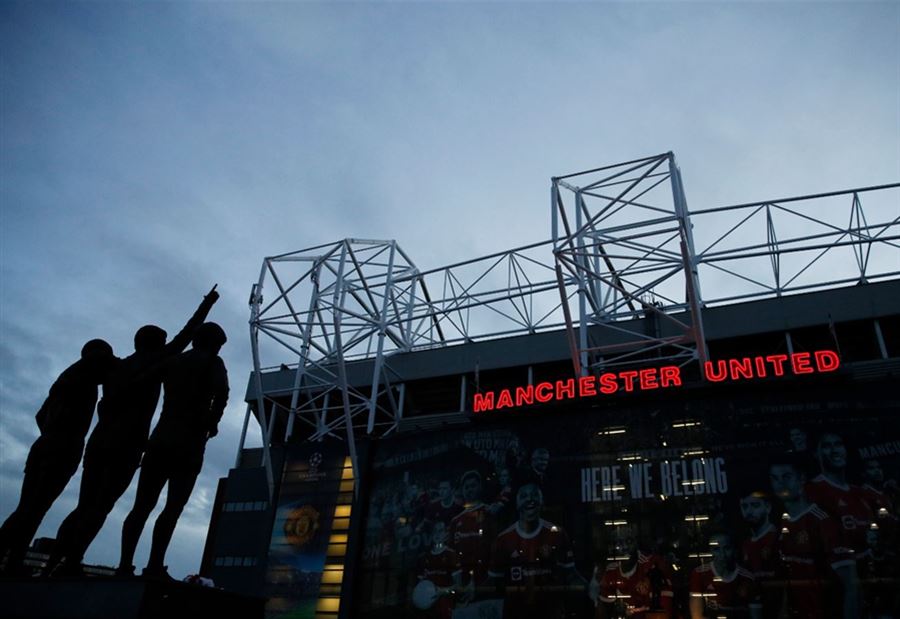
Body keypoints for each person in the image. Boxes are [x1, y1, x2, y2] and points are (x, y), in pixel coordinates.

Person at [45, 287, 218, 576]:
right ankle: (71, 561)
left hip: (98, 442)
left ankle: (55, 562)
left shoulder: (116, 368)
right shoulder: (156, 362)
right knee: (102, 505)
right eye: (163, 340)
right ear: (155, 344)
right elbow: (187, 334)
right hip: (126, 445)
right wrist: (207, 304)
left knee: (84, 505)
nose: (167, 344)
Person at [117, 321, 229, 578]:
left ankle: (124, 565)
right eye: (218, 345)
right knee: (172, 508)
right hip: (189, 444)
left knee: (141, 506)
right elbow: (222, 395)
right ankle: (154, 565)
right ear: (213, 344)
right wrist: (212, 422)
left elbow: (140, 381)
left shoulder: (174, 361)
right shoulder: (213, 363)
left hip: (160, 439)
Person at [0, 339, 116, 575]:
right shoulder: (87, 370)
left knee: (29, 508)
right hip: (62, 447)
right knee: (34, 508)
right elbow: (104, 359)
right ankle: (11, 559)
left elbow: (40, 415)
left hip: (45, 444)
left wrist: (50, 433)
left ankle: (13, 560)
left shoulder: (67, 377)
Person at [769, 453, 857, 619]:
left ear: (801, 478)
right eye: (775, 478)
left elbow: (851, 586)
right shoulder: (782, 523)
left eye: (786, 477)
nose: (780, 484)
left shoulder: (822, 521)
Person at [488, 483, 585, 619]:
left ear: (542, 501)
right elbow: (493, 582)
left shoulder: (558, 534)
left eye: (534, 495)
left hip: (551, 613)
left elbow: (571, 575)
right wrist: (470, 590)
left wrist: (591, 586)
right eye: (524, 496)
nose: (530, 499)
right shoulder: (503, 539)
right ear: (517, 504)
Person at [593, 523, 673, 618]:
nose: (625, 547)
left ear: (636, 542)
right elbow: (603, 609)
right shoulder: (611, 570)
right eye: (619, 543)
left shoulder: (653, 564)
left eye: (629, 541)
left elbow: (664, 608)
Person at [689, 531, 761, 619]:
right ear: (710, 551)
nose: (722, 554)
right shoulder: (699, 573)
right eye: (716, 549)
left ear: (734, 550)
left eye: (727, 548)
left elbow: (755, 615)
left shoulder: (747, 577)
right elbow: (697, 615)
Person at [449, 470, 495, 588]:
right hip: (462, 582)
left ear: (480, 487)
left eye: (473, 486)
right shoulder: (455, 521)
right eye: (466, 487)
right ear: (462, 491)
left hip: (486, 580)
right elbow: (452, 552)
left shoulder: (490, 513)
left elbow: (496, 548)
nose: (470, 490)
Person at [738, 490, 779, 618]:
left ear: (767, 507)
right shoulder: (745, 543)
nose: (749, 511)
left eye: (755, 505)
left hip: (777, 605)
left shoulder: (778, 537)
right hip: (754, 605)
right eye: (744, 506)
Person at [415, 520, 462, 619]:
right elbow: (421, 584)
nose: (437, 534)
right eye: (435, 531)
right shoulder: (425, 557)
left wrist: (442, 591)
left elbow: (458, 586)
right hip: (427, 609)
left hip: (445, 607)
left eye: (440, 531)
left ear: (446, 534)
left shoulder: (451, 555)